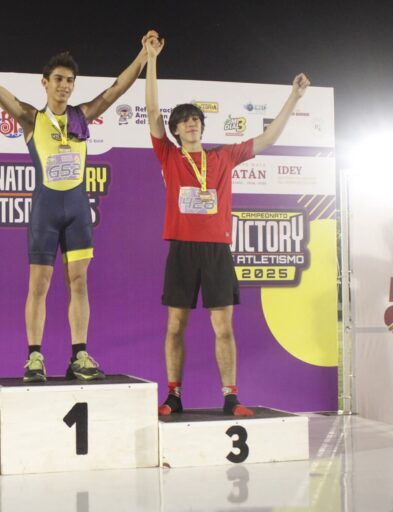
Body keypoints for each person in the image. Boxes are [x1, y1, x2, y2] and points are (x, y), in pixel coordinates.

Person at [0, 29, 154, 383]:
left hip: (78, 212)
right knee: (39, 285)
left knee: (79, 283)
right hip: (45, 213)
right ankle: (34, 357)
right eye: (59, 80)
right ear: (45, 83)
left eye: (69, 81)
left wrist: (143, 56)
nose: (64, 86)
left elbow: (117, 89)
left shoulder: (82, 115)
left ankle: (79, 355)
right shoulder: (30, 118)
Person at [144, 34, 310, 416]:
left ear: (202, 127)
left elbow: (268, 138)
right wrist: (151, 59)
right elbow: (152, 111)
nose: (191, 124)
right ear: (176, 130)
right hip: (182, 247)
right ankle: (174, 396)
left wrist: (294, 98)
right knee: (175, 326)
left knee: (223, 327)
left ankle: (231, 396)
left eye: (195, 120)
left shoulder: (223, 157)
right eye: (184, 121)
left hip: (217, 250)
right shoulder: (169, 156)